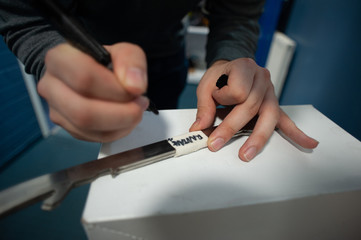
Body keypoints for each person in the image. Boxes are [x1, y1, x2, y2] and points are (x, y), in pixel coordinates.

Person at [0, 0, 318, 162]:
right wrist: (50, 58)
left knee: (154, 133)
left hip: (169, 58)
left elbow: (237, 12)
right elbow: (25, 17)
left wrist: (226, 63)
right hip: (91, 62)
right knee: (112, 141)